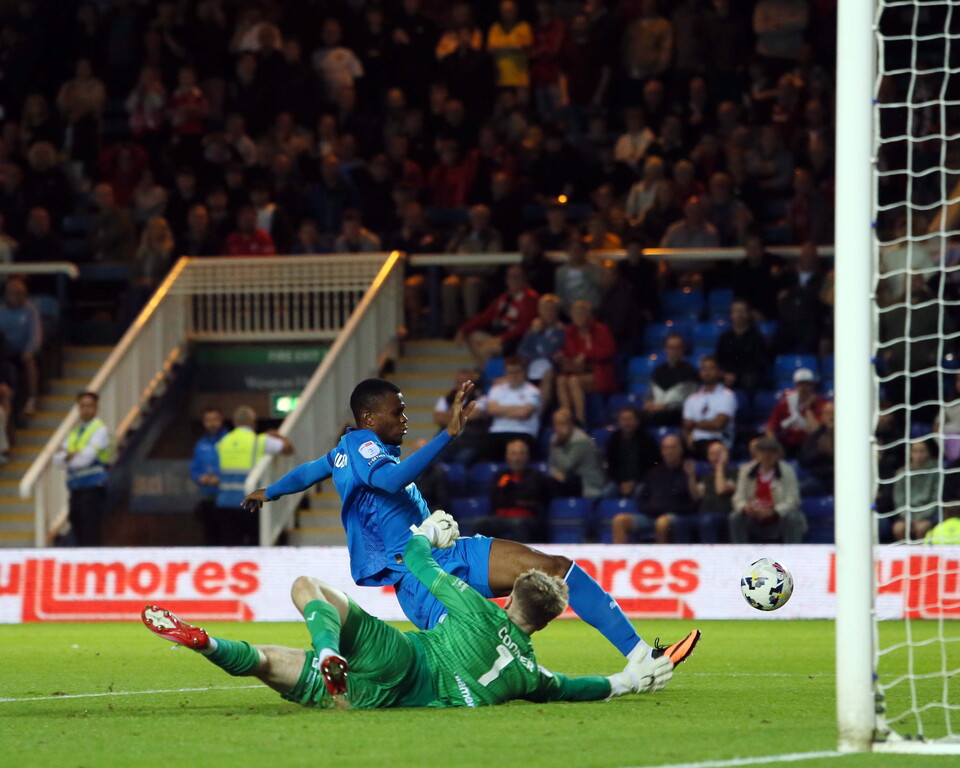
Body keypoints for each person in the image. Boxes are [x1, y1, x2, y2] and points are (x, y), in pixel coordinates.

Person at [244, 377, 699, 664]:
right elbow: (391, 481)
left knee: (555, 569)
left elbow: (309, 471)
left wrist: (270, 491)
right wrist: (447, 435)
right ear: (368, 418)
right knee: (481, 654)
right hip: (418, 576)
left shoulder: (346, 452)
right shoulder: (364, 447)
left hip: (446, 553)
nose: (405, 419)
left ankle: (642, 656)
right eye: (397, 412)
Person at [142, 516, 682, 710]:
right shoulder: (528, 674)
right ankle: (219, 648)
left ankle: (322, 647)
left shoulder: (473, 606)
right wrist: (627, 680)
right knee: (270, 664)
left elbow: (418, 563)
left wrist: (427, 532)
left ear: (509, 595)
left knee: (309, 587)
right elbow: (573, 687)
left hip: (402, 654)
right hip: (393, 699)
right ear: (544, 622)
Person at [214, 405, 292, 545]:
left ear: (235, 422)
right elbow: (288, 448)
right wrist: (278, 435)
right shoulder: (260, 441)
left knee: (230, 548)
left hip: (225, 502)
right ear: (253, 422)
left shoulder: (223, 442)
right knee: (254, 546)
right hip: (251, 502)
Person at [52, 392, 112, 546]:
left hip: (93, 488)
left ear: (96, 408)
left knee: (91, 533)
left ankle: (93, 560)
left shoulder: (100, 430)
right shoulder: (75, 432)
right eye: (82, 406)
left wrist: (67, 457)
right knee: (78, 530)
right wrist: (72, 456)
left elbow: (85, 460)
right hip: (76, 489)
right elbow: (56, 460)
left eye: (89, 406)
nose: (85, 409)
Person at [611, 433, 691, 544]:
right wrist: (650, 508)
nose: (668, 452)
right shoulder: (654, 473)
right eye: (665, 448)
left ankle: (661, 554)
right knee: (619, 520)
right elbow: (643, 496)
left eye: (672, 448)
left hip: (676, 516)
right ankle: (620, 555)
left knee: (662, 523)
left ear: (680, 450)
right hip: (650, 515)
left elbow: (691, 501)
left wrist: (691, 477)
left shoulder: (687, 472)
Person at [455, 264, 539, 366]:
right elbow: (485, 316)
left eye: (516, 277)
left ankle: (491, 373)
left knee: (485, 349)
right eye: (510, 277)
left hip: (516, 339)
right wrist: (463, 329)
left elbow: (524, 326)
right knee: (472, 336)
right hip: (500, 334)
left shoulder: (530, 298)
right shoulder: (504, 298)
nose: (513, 280)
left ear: (524, 279)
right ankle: (485, 369)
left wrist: (501, 338)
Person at [730, 437, 806, 543]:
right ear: (757, 453)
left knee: (792, 517)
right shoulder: (746, 470)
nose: (766, 456)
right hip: (754, 517)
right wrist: (745, 508)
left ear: (777, 454)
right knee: (736, 517)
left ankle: (792, 549)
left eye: (771, 452)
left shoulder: (788, 471)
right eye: (763, 452)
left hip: (778, 519)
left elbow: (793, 499)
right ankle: (740, 550)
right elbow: (738, 497)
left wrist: (774, 511)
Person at [554, 300, 617, 427]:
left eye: (582, 313)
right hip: (576, 371)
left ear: (589, 315)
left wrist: (586, 354)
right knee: (561, 380)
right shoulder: (569, 331)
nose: (579, 317)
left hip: (598, 373)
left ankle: (580, 419)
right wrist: (561, 355)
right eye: (576, 314)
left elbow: (609, 350)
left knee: (573, 381)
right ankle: (566, 418)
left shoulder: (600, 329)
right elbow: (567, 351)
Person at [475, 439, 549, 543]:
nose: (517, 458)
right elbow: (495, 499)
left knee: (519, 524)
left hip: (525, 518)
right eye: (513, 454)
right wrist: (519, 498)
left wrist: (508, 495)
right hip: (500, 518)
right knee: (482, 523)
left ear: (527, 457)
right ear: (507, 456)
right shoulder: (500, 476)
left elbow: (533, 497)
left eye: (520, 454)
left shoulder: (535, 476)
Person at [484, 357, 541, 461]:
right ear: (506, 373)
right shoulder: (496, 390)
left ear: (524, 372)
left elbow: (524, 413)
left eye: (517, 372)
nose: (514, 375)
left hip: (523, 432)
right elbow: (492, 410)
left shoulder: (533, 391)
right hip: (497, 432)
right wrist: (517, 409)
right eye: (510, 372)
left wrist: (500, 410)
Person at [0, 277, 41, 418]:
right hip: (4, 351)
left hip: (23, 351)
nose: (17, 296)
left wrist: (30, 349)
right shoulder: (1, 310)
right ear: (6, 295)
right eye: (13, 293)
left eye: (20, 293)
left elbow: (36, 334)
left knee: (29, 361)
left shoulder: (30, 310)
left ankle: (32, 398)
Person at [682, 355, 737, 458]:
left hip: (718, 441)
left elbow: (718, 424)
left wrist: (694, 424)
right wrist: (689, 439)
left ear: (719, 372)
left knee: (712, 448)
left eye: (711, 368)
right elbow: (686, 425)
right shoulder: (692, 399)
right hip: (695, 443)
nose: (707, 372)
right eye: (704, 368)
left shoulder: (727, 396)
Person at [764, 367, 827, 457]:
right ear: (795, 385)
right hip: (787, 444)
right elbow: (770, 427)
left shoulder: (821, 404)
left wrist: (808, 408)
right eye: (800, 384)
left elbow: (816, 430)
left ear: (812, 386)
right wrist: (775, 446)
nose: (803, 388)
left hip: (811, 445)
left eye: (807, 384)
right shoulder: (784, 404)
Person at [603, 405, 661, 500]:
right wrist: (621, 482)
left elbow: (653, 467)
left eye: (630, 419)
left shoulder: (647, 439)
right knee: (606, 493)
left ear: (637, 421)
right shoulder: (614, 440)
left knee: (640, 492)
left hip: (641, 481)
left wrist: (634, 482)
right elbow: (611, 466)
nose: (627, 423)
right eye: (623, 419)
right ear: (619, 422)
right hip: (619, 482)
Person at [547, 408, 606, 500]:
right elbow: (551, 462)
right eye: (556, 423)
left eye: (562, 423)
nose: (558, 427)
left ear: (570, 423)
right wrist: (554, 472)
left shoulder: (580, 440)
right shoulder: (554, 438)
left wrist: (558, 444)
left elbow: (566, 466)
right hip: (570, 480)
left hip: (588, 484)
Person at [644, 333, 699, 426]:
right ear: (665, 349)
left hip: (677, 414)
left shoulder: (690, 371)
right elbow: (650, 394)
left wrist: (666, 407)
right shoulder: (658, 371)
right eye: (671, 348)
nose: (675, 351)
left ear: (683, 349)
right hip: (657, 412)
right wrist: (648, 403)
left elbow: (692, 400)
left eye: (678, 347)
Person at [687, 441, 737, 544]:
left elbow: (721, 490)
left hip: (723, 515)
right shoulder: (706, 477)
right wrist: (691, 476)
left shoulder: (735, 473)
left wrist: (720, 465)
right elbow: (696, 496)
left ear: (726, 455)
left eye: (718, 454)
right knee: (680, 523)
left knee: (706, 521)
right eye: (712, 454)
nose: (714, 457)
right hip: (704, 514)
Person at [892, 438, 940, 542]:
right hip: (907, 515)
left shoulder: (936, 471)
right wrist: (909, 518)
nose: (918, 455)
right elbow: (899, 500)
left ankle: (920, 551)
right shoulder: (902, 472)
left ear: (928, 452)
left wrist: (921, 517)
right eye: (915, 451)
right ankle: (905, 551)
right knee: (898, 528)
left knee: (922, 528)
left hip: (929, 515)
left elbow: (936, 499)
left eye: (922, 451)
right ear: (910, 453)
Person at [190, 406, 227, 545]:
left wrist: (220, 479)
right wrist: (200, 477)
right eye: (208, 420)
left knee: (227, 537)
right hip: (207, 497)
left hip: (226, 498)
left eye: (215, 419)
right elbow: (194, 468)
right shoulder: (201, 444)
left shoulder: (229, 441)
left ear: (221, 420)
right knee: (209, 538)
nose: (212, 423)